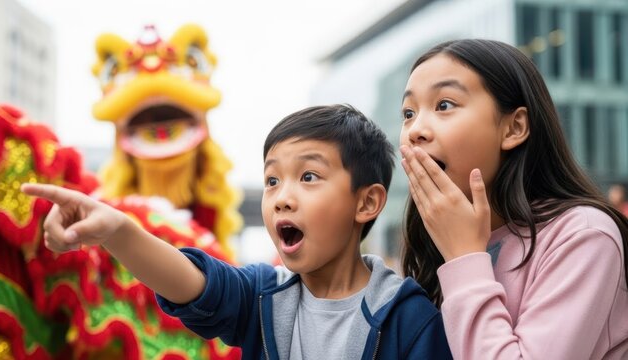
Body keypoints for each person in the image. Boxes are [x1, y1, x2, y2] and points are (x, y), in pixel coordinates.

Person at [22, 104, 452, 359]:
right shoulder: (263, 296)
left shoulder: (408, 317)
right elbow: (194, 283)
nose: (282, 197)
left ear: (368, 202)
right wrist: (117, 231)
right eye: (271, 181)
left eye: (308, 177)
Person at [399, 39, 628, 359]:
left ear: (514, 128)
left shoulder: (583, 234)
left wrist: (464, 257)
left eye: (444, 105)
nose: (415, 130)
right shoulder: (434, 243)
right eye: (408, 113)